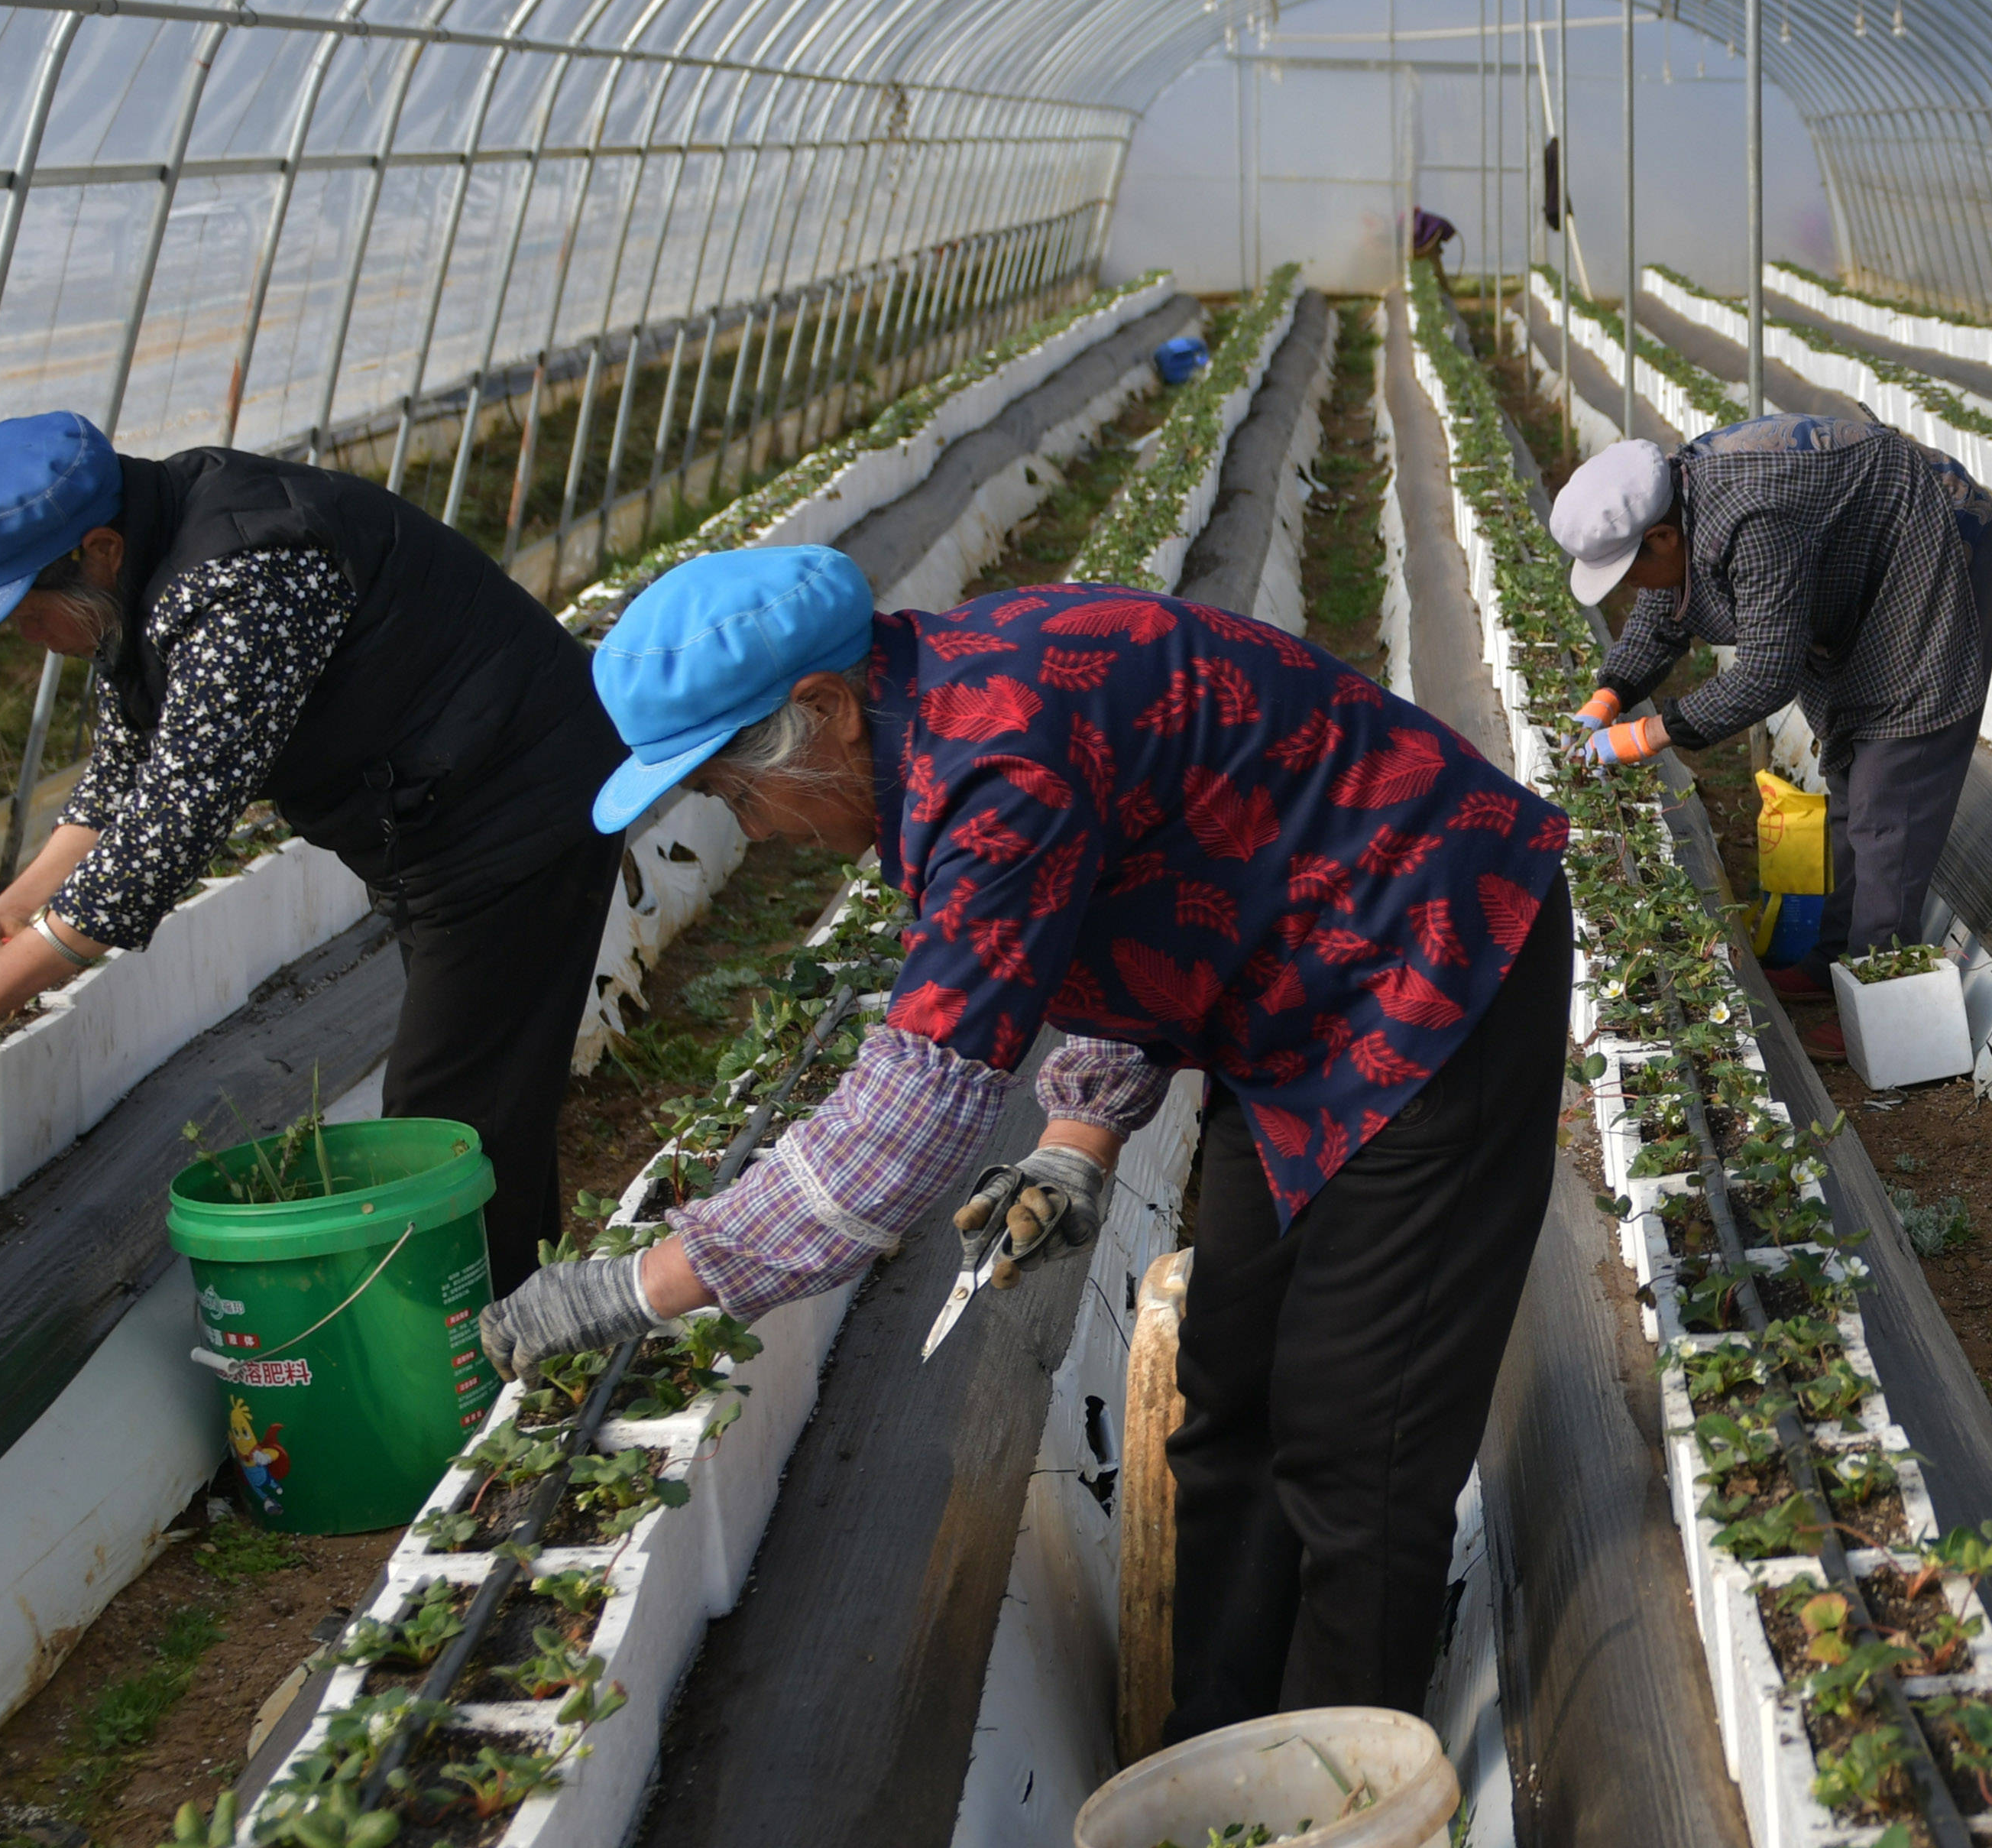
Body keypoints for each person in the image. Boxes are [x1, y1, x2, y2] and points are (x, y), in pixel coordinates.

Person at [476, 546, 1572, 1739]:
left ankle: (1337, 1821)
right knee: (1230, 1396)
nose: (752, 826)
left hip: (1432, 963)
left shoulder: (995, 765)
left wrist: (635, 1288)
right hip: (1291, 1007)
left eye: (736, 792)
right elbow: (1142, 884)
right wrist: (1075, 1143)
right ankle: (1211, 1755)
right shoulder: (948, 694)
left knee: (1360, 1441)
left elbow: (893, 1139)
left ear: (826, 711)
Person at [0, 408, 624, 1281]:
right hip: (444, 821)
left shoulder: (244, 576)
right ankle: (523, 1337)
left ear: (98, 550)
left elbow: (168, 831)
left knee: (445, 1120)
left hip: (513, 809)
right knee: (486, 1105)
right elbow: (127, 774)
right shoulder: (155, 557)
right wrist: (9, 912)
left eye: (25, 609)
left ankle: (467, 1368)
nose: (23, 634)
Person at [1550, 410, 1992, 962]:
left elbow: (1767, 673)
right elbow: (1660, 617)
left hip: (1932, 542)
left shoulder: (1751, 514)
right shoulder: (1679, 504)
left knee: (1892, 790)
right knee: (1849, 775)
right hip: (1862, 571)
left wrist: (1644, 735)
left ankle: (1879, 988)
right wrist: (1606, 699)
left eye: (1625, 572)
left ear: (1662, 537)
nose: (1626, 588)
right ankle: (1834, 964)